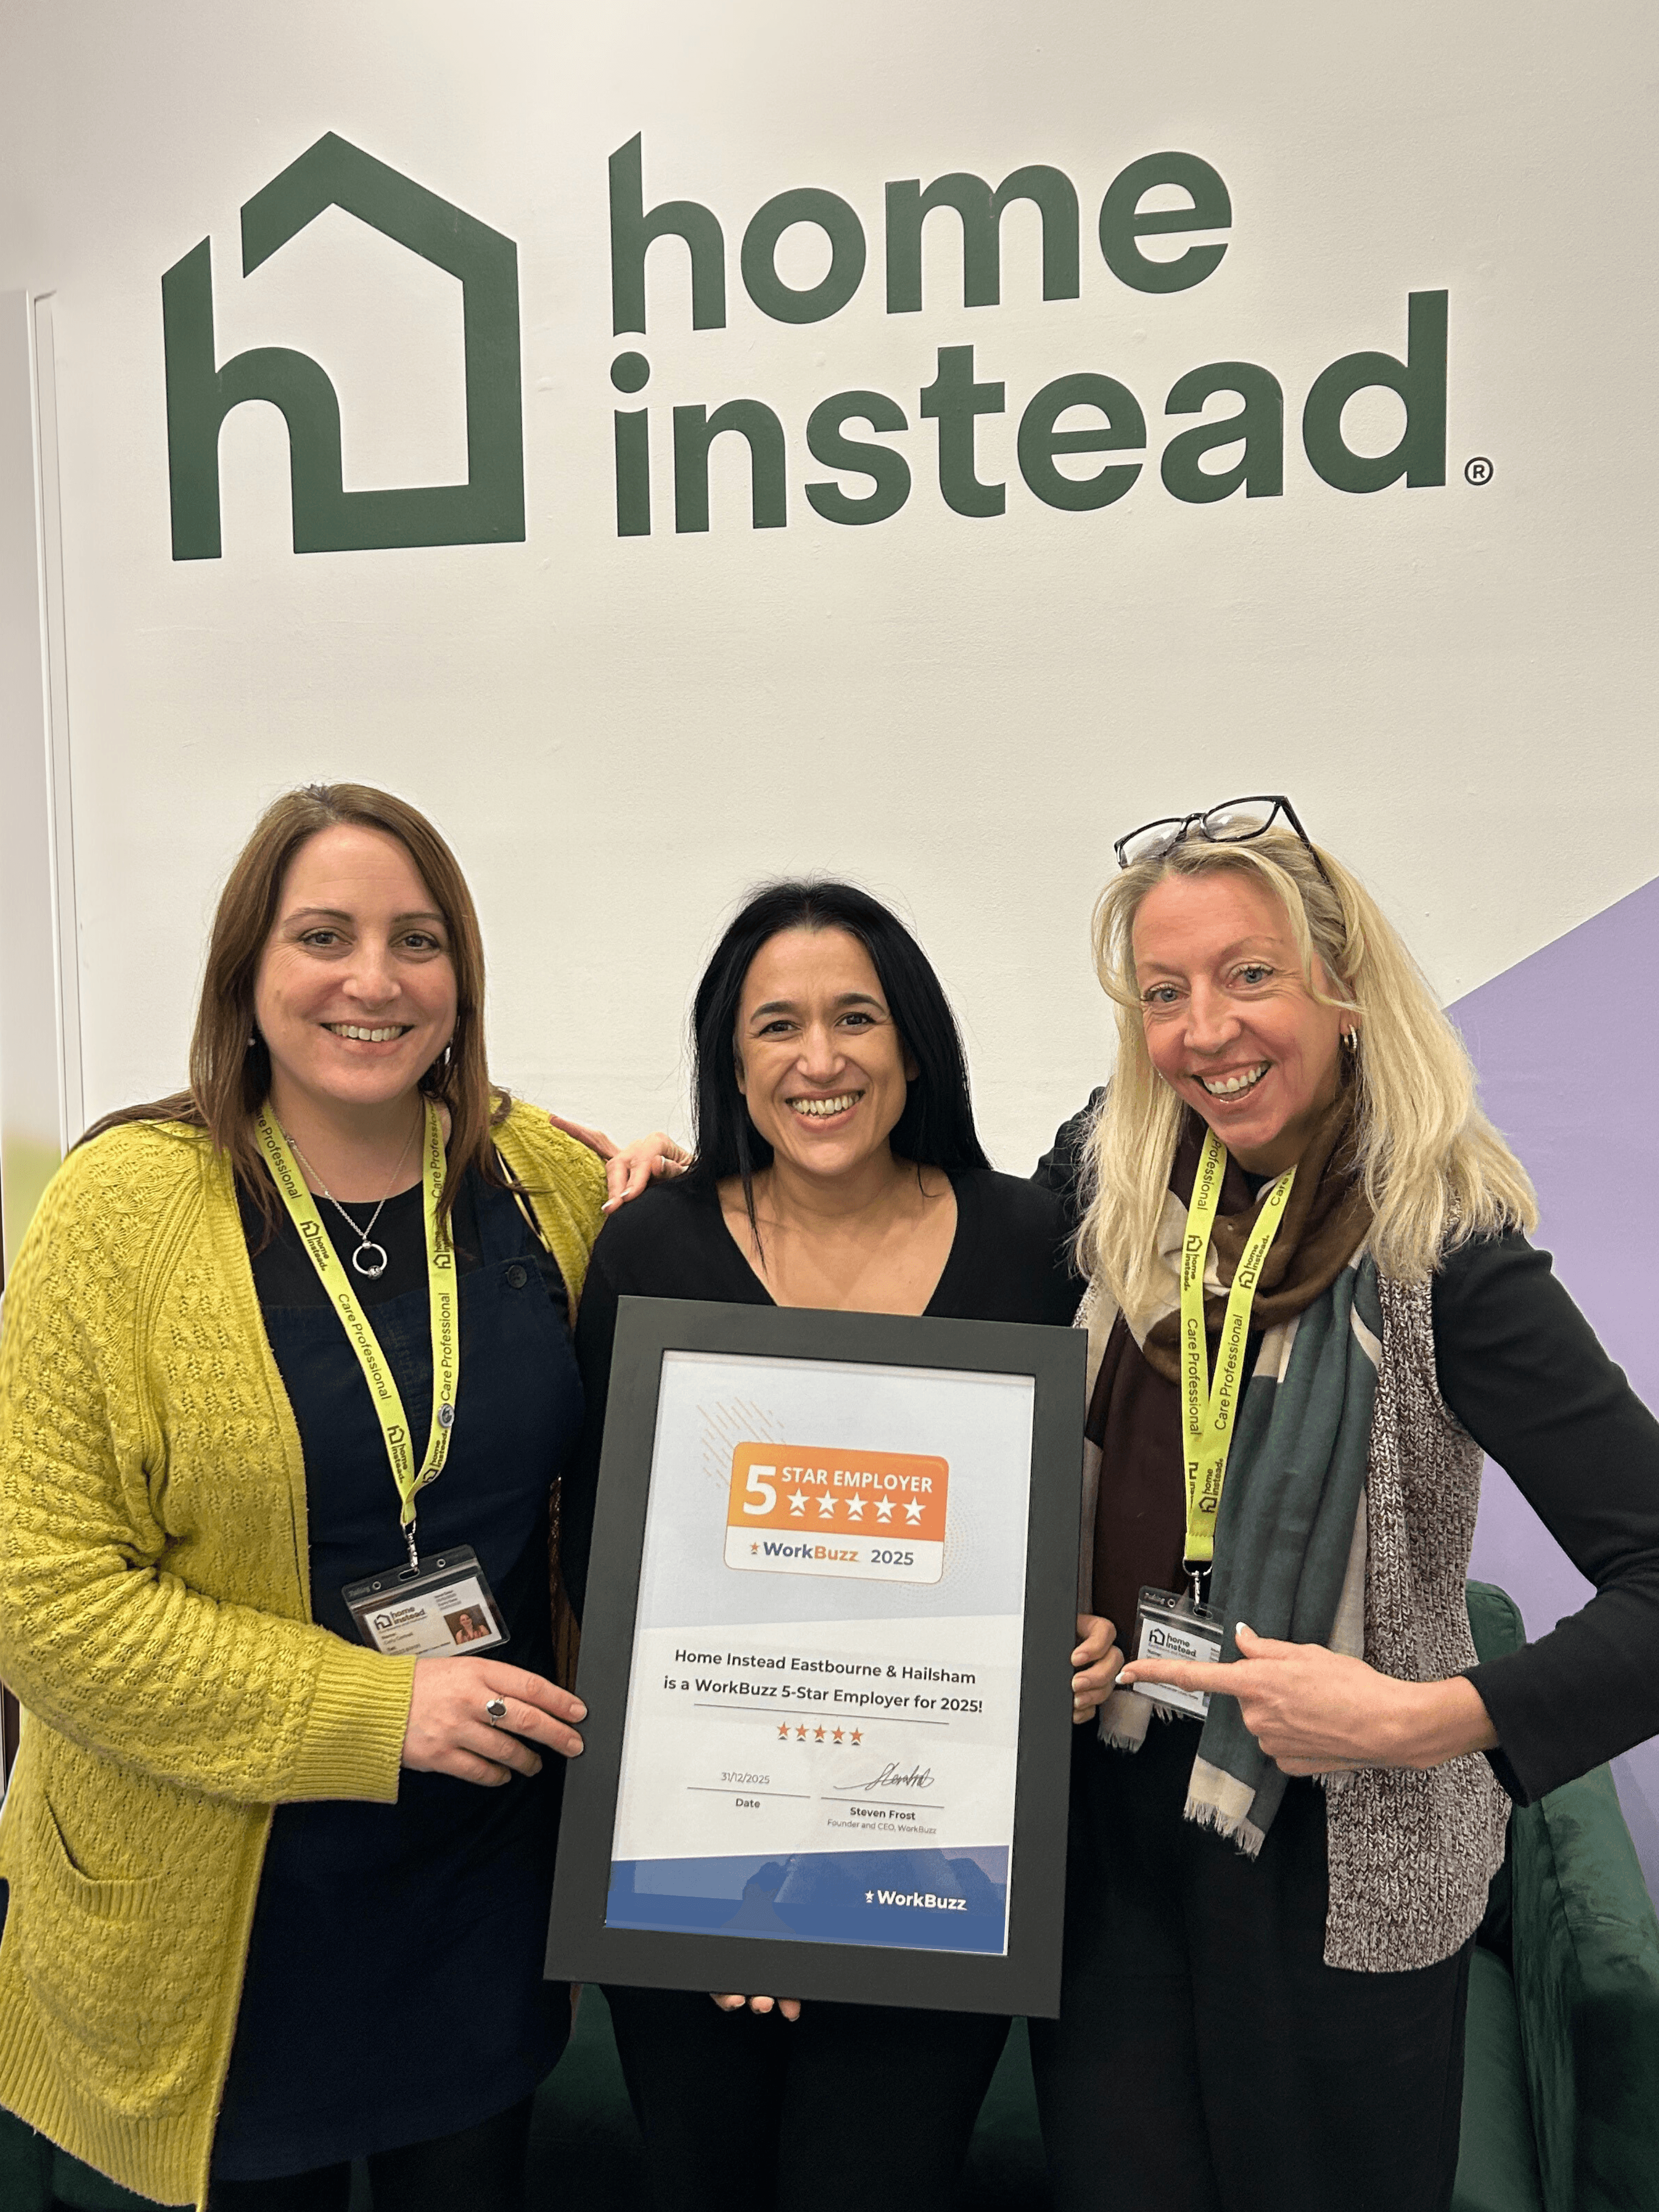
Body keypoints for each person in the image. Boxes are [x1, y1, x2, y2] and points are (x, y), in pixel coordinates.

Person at [1022, 797, 1659, 2212]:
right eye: (1165, 993)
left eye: (1251, 975)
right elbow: (901, 1233)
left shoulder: (1449, 1263)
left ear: (1345, 988)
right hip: (1112, 1845)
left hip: (1336, 1861)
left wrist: (1422, 1718)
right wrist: (694, 1194)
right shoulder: (1116, 1194)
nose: (1208, 1030)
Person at [0, 785, 607, 2212]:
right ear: (247, 976)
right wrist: (377, 1711)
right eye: (322, 935)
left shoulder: (549, 1187)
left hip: (473, 1898)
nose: (373, 980)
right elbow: (43, 1600)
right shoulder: (117, 1212)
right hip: (210, 1916)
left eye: (417, 940)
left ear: (460, 979)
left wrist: (699, 1197)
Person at [561, 879, 1106, 2212]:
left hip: (936, 1872)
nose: (820, 1060)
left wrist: (1084, 1646)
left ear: (913, 1046)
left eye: (856, 1018)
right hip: (695, 1875)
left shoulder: (1038, 1246)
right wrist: (751, 1886)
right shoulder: (649, 1249)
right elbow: (600, 1572)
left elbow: (1067, 1528)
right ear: (729, 1061)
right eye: (777, 1027)